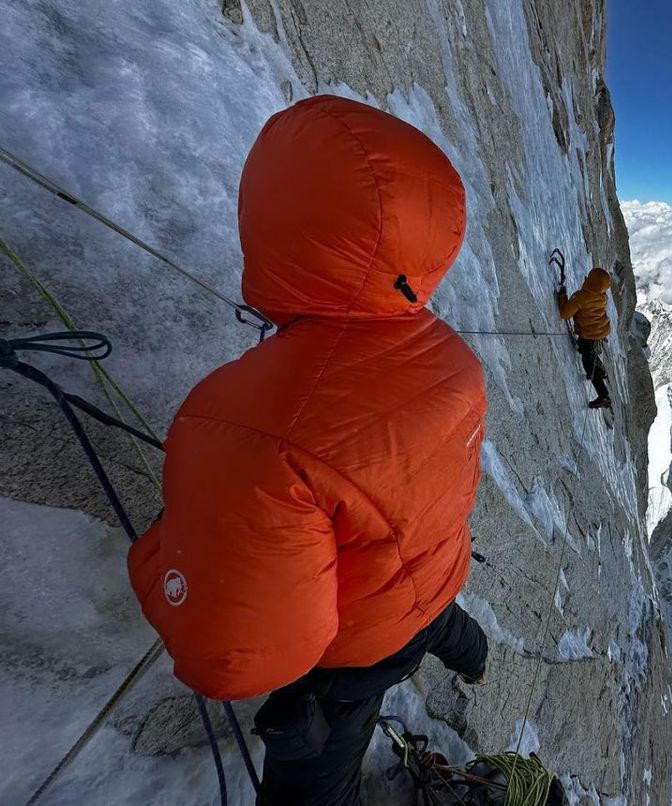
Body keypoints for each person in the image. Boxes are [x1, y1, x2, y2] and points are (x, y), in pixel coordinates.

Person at [126, 95, 490, 805]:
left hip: (360, 652)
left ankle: (458, 651)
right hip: (435, 585)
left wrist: (151, 556)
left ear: (275, 223)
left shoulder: (247, 426)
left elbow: (234, 657)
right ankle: (471, 655)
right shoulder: (454, 358)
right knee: (436, 625)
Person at [557, 267, 613, 409]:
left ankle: (603, 395)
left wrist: (562, 296)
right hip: (601, 330)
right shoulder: (602, 297)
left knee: (588, 361)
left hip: (590, 333)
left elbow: (565, 314)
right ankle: (600, 371)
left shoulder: (581, 297)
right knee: (590, 352)